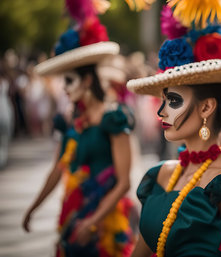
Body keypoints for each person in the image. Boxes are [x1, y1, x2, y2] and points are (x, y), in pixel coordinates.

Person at [127, 2, 221, 257]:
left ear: (206, 108)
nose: (161, 112)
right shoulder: (160, 176)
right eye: (163, 100)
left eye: (173, 101)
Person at [22, 2, 136, 256]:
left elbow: (124, 181)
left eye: (70, 81)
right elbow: (57, 169)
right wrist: (33, 208)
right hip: (74, 217)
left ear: (86, 80)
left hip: (106, 222)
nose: (64, 88)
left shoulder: (114, 118)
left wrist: (93, 220)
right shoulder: (71, 123)